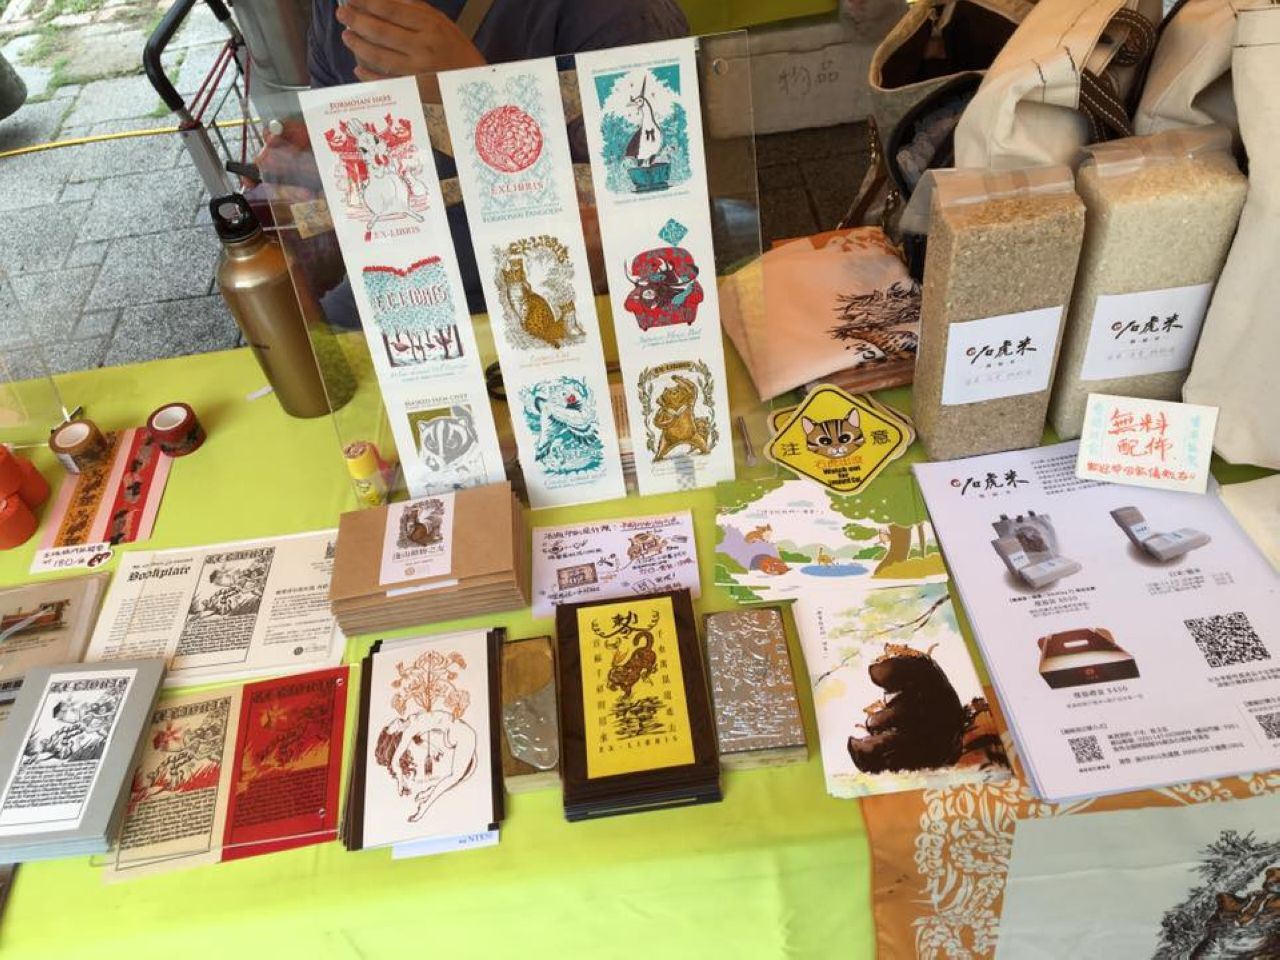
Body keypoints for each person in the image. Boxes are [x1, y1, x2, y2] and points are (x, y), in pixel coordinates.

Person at [302, 0, 691, 315]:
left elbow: (659, 233)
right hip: (403, 299)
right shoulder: (336, 14)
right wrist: (299, 173)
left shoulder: (619, 15)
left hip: (563, 305)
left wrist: (477, 97)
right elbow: (353, 206)